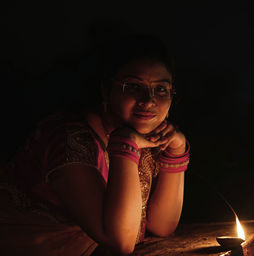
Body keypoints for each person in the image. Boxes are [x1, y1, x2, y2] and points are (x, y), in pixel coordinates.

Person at [0, 34, 189, 255]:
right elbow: (120, 242)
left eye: (161, 89)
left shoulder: (142, 136)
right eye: (133, 87)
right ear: (106, 90)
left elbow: (161, 226)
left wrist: (176, 150)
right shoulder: (70, 140)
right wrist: (124, 146)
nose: (148, 101)